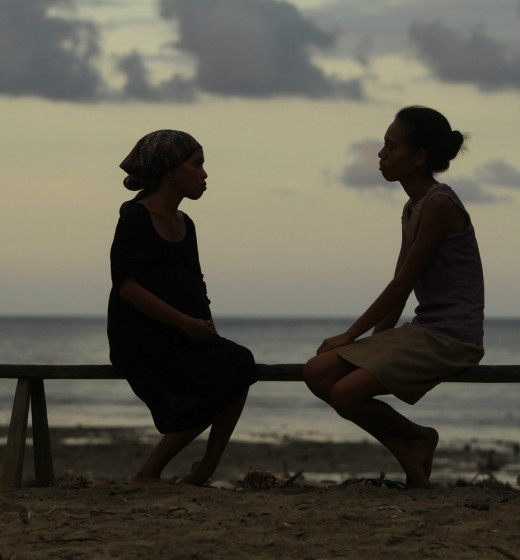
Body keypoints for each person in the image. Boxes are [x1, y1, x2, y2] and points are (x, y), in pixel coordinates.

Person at [303, 106, 485, 489]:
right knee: (317, 372)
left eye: (390, 146)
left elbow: (404, 282)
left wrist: (350, 336)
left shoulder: (439, 204)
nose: (382, 154)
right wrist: (378, 339)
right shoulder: (412, 207)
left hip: (452, 337)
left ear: (418, 158)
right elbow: (400, 284)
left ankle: (419, 439)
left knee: (346, 393)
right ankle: (409, 444)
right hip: (423, 329)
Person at [107, 129, 258, 485]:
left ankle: (205, 468)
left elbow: (196, 287)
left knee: (239, 365)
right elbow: (127, 287)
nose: (204, 174)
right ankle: (148, 473)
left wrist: (209, 334)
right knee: (231, 369)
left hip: (181, 330)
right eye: (197, 165)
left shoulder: (185, 224)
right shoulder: (135, 218)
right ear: (170, 170)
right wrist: (185, 324)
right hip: (142, 334)